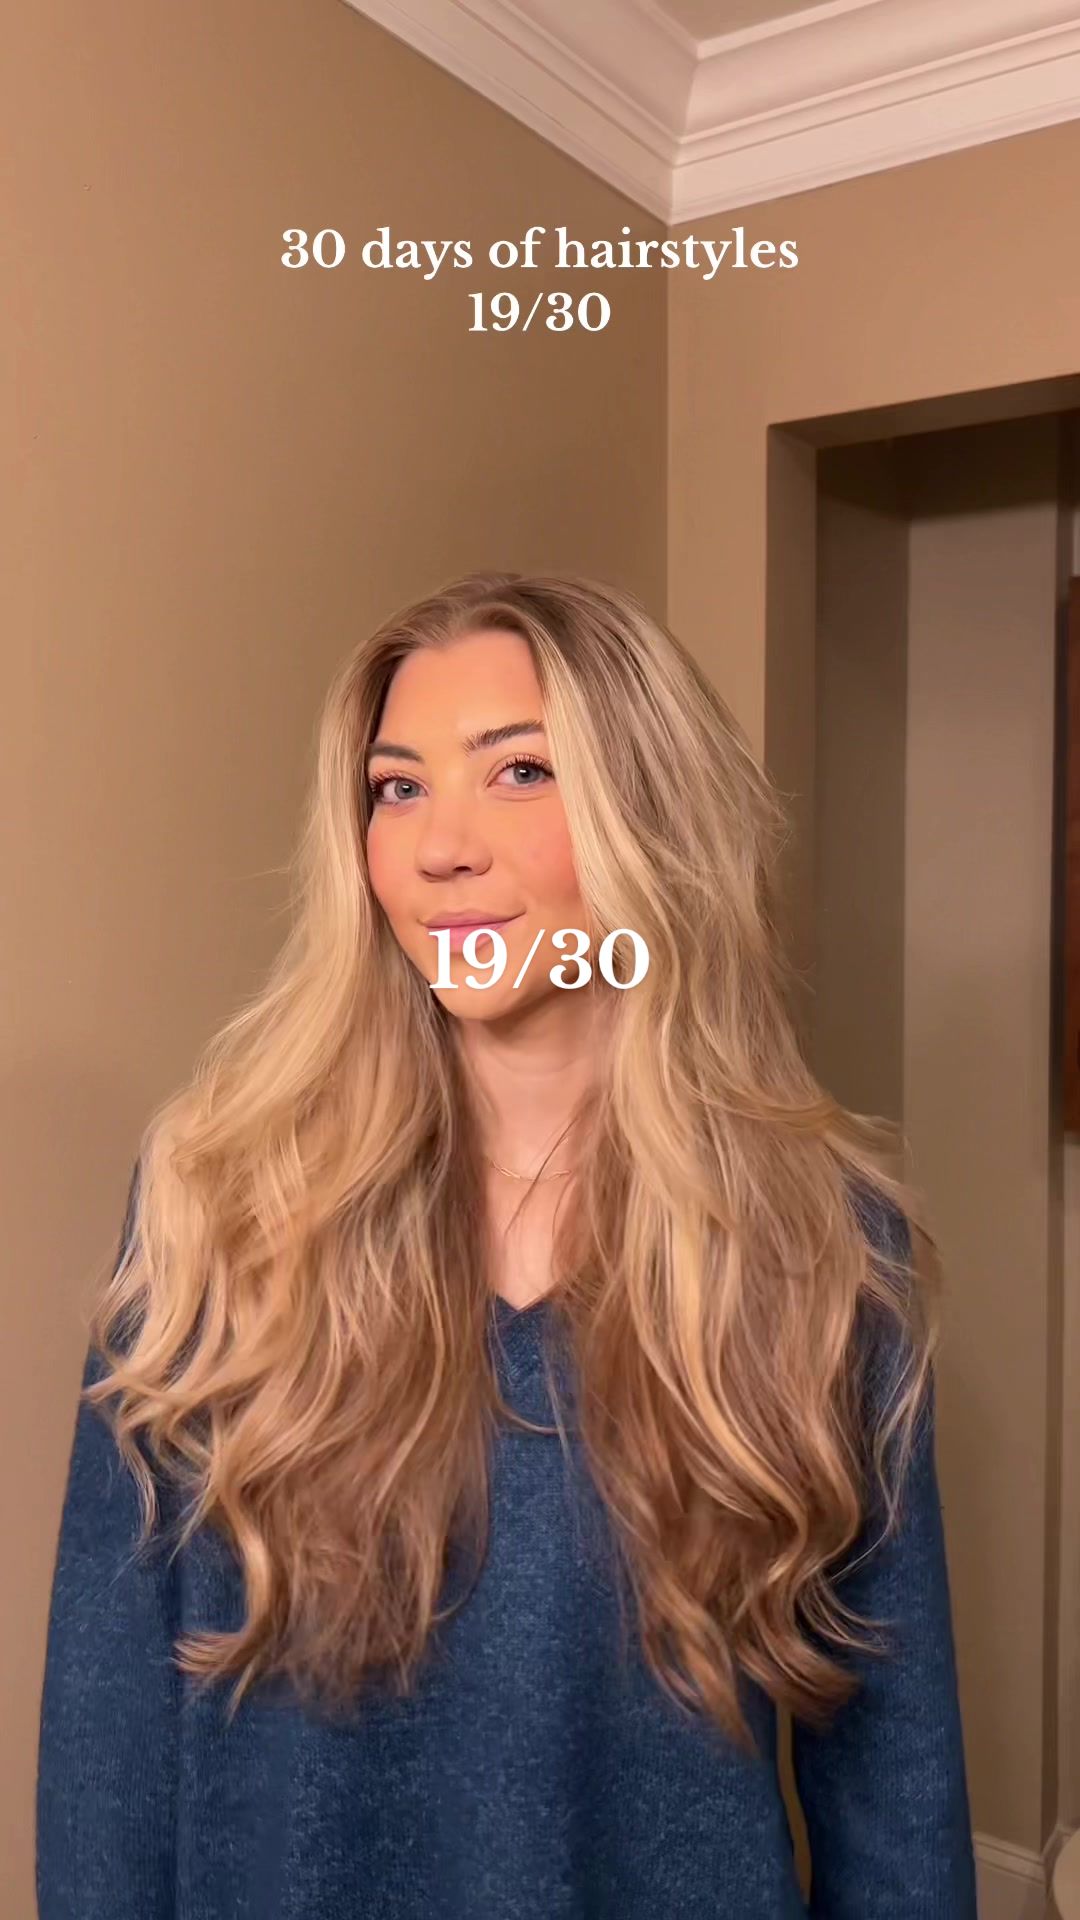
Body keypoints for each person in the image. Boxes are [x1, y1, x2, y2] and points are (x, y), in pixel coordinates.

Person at [36, 571, 978, 1918]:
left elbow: (896, 1801)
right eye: (396, 788)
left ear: (650, 817)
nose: (439, 847)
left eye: (520, 772)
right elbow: (108, 1745)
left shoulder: (819, 1251)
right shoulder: (218, 1210)